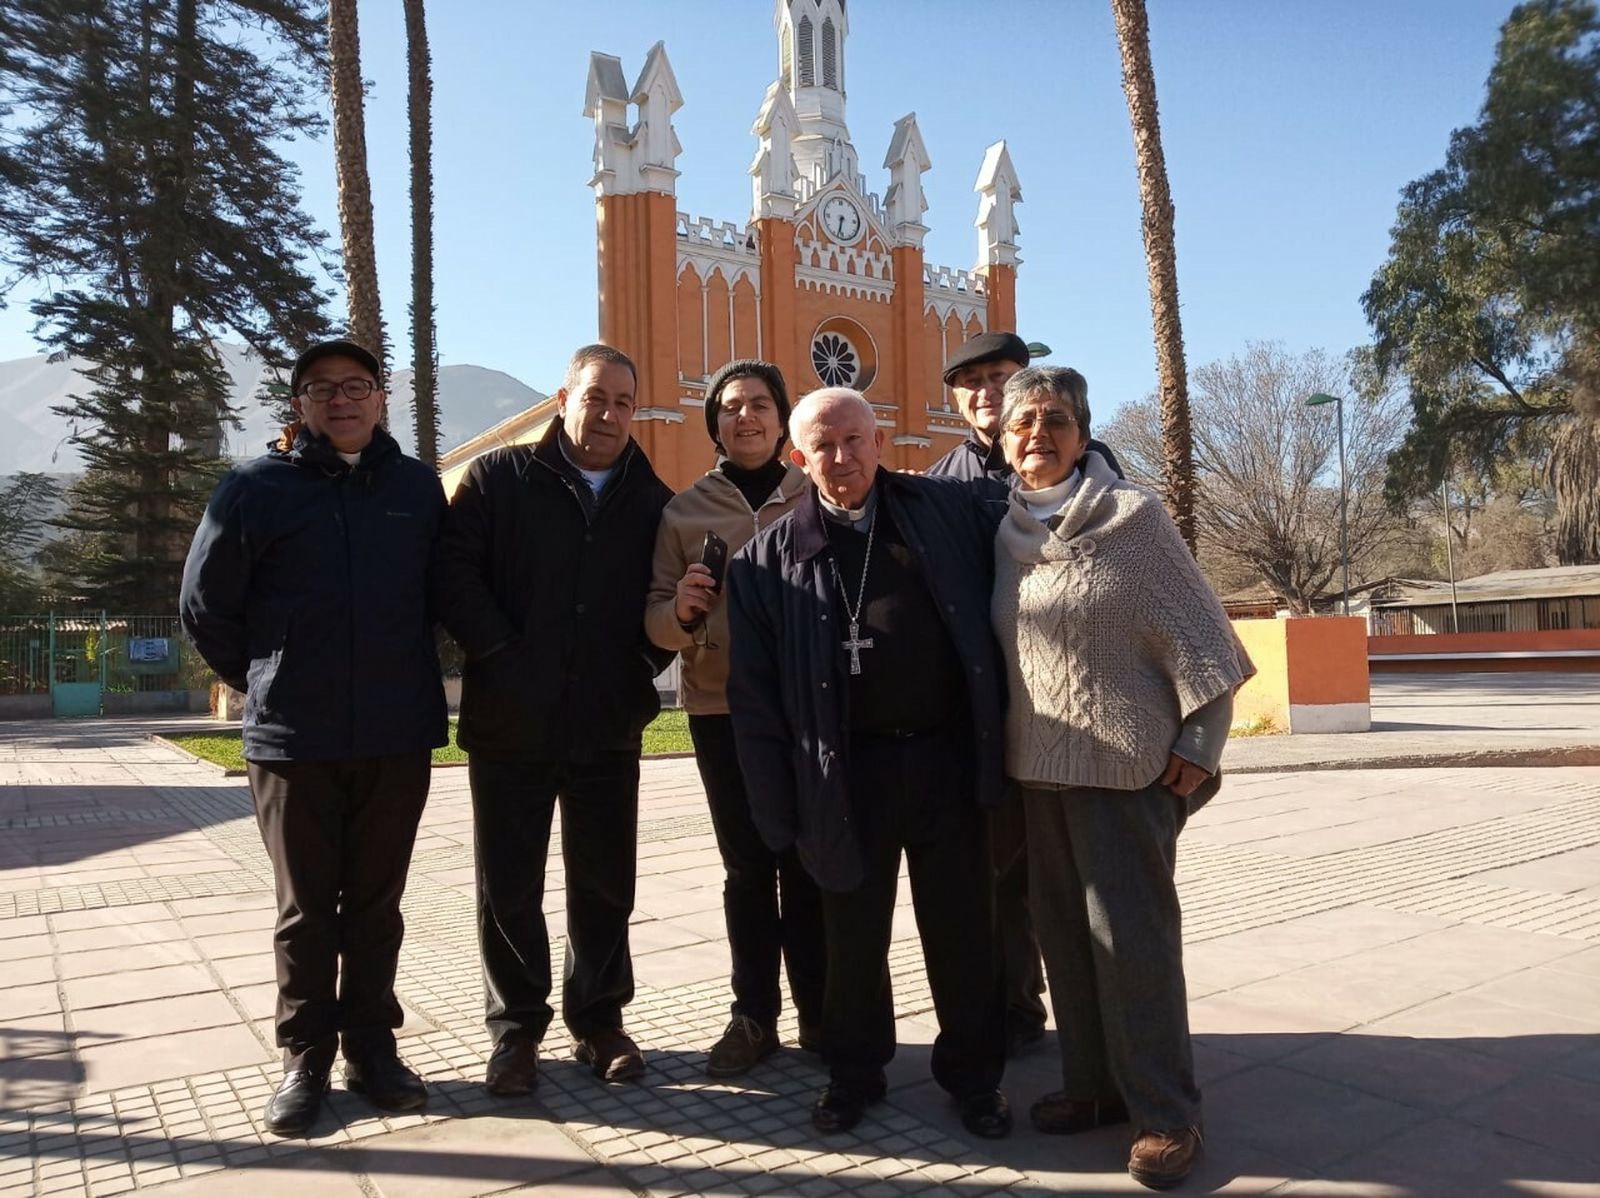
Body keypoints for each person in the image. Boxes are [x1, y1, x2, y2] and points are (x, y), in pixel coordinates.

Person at [988, 366, 1251, 1190]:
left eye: (1056, 419)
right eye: (1023, 420)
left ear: (1083, 431)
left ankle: (1168, 1114)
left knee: (1131, 944)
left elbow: (1209, 642)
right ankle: (1095, 1088)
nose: (1039, 433)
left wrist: (1201, 744)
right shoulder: (1000, 533)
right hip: (1036, 770)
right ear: (1002, 439)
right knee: (1065, 941)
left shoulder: (1133, 519)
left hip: (1124, 771)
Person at [727, 388, 1011, 1140]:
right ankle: (854, 1075)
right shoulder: (764, 562)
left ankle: (976, 1079)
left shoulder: (944, 512)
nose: (842, 458)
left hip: (947, 759)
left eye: (855, 440)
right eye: (823, 446)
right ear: (799, 458)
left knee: (963, 932)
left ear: (880, 440)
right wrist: (775, 812)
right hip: (845, 776)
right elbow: (752, 704)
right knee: (848, 938)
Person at [179, 339, 446, 1136]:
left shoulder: (417, 489)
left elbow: (446, 593)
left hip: (396, 735)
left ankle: (372, 1050)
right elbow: (204, 605)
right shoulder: (255, 489)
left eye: (356, 385)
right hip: (294, 739)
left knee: (376, 904)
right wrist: (270, 674)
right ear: (299, 405)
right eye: (321, 388)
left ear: (380, 398)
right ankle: (304, 1060)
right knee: (305, 912)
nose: (340, 399)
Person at [433, 344, 672, 1093]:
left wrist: (638, 667)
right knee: (508, 884)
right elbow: (452, 575)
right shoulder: (499, 479)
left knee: (604, 884)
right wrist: (501, 651)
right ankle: (514, 1034)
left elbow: (667, 603)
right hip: (511, 721)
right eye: (596, 397)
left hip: (606, 722)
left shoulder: (655, 501)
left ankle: (599, 1022)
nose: (608, 415)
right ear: (564, 397)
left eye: (624, 403)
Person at [930, 330, 1130, 1056]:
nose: (985, 390)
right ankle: (1015, 1007)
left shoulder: (1098, 476)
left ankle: (1109, 1028)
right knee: (996, 872)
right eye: (970, 379)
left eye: (1000, 375)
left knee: (1083, 882)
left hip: (1080, 714)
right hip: (983, 714)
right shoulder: (939, 484)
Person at [644, 359, 824, 1077]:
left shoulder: (816, 496)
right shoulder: (683, 511)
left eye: (758, 405)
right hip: (720, 710)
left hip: (811, 709)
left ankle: (821, 1012)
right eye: (728, 407)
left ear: (782, 421)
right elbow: (655, 624)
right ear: (713, 423)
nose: (743, 417)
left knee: (810, 863)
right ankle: (753, 1017)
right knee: (747, 869)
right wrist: (683, 610)